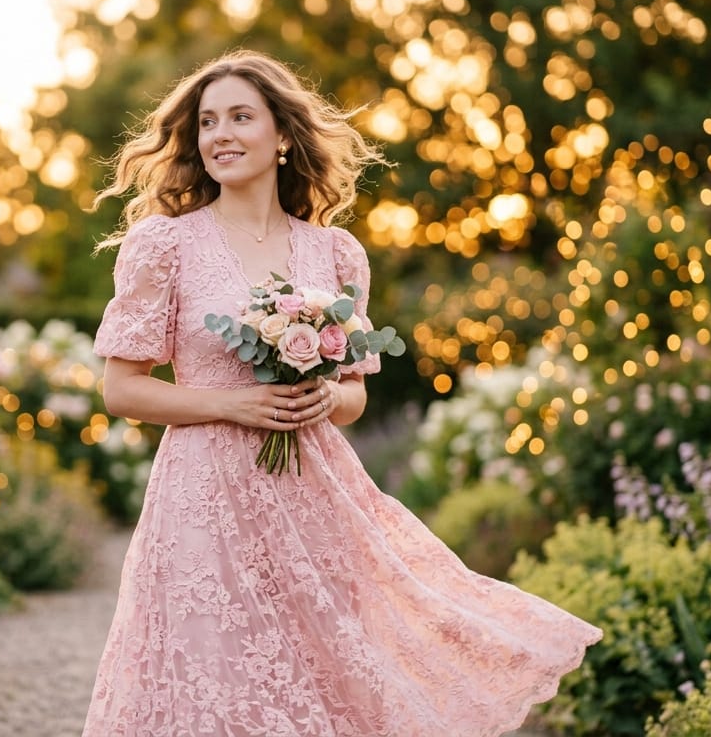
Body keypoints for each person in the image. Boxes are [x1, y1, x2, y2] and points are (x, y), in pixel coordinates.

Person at [83, 50, 601, 737]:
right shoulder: (164, 245)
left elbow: (354, 394)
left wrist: (327, 400)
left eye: (240, 117)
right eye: (207, 122)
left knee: (330, 674)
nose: (220, 135)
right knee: (214, 677)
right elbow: (122, 390)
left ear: (283, 135)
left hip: (314, 495)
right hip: (204, 497)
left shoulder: (335, 252)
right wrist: (231, 404)